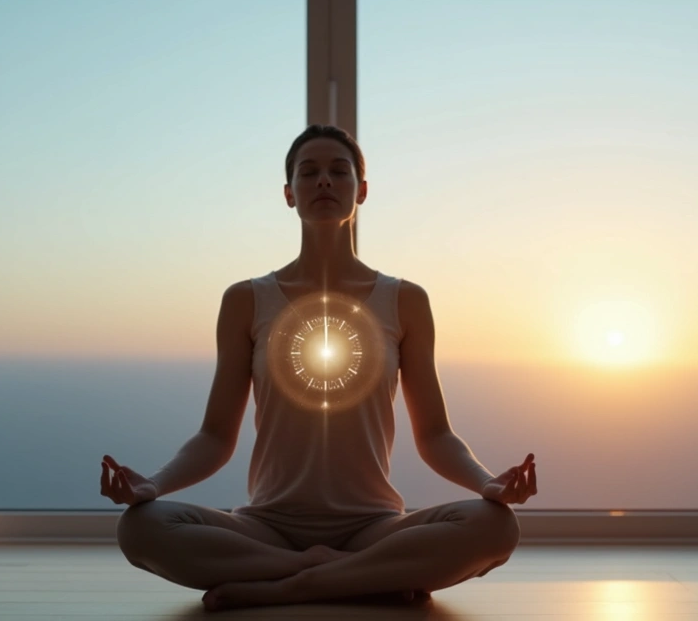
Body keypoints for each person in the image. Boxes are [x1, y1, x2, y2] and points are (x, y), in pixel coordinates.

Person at [101, 124, 539, 611]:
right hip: (266, 526)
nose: (324, 180)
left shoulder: (405, 300)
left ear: (362, 190)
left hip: (374, 526)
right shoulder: (246, 300)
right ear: (289, 194)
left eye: (339, 171)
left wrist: (486, 484)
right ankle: (359, 576)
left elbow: (435, 434)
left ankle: (292, 586)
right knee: (140, 528)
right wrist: (153, 485)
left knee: (496, 526)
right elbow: (215, 437)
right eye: (308, 172)